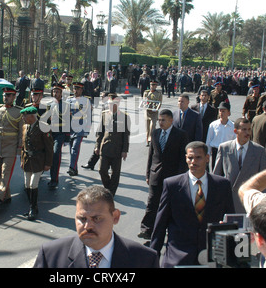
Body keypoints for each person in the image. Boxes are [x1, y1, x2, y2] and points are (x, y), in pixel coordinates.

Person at [150, 141, 235, 267]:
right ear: (186, 158)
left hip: (211, 258)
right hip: (178, 258)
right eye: (190, 158)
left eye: (198, 157)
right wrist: (152, 258)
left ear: (207, 158)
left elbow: (231, 222)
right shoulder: (172, 185)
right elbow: (160, 224)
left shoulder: (222, 185)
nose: (193, 162)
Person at [33, 185, 159, 268]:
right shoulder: (50, 256)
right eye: (82, 219)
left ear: (115, 217)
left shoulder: (145, 260)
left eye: (97, 219)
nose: (88, 226)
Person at [139, 109, 189, 240]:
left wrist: (181, 177)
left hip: (173, 177)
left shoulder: (180, 135)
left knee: (171, 205)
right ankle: (146, 229)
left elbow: (183, 159)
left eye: (163, 120)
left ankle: (171, 230)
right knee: (152, 203)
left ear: (171, 120)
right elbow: (151, 155)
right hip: (156, 175)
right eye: (159, 120)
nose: (160, 122)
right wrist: (148, 173)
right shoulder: (155, 133)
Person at [213, 117, 266, 213]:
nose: (247, 133)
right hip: (228, 200)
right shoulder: (224, 148)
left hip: (249, 202)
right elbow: (216, 176)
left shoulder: (259, 151)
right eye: (244, 129)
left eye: (249, 129)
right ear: (235, 131)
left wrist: (260, 201)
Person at [0, 87, 24, 205]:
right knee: (0, 173)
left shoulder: (19, 111)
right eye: (4, 95)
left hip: (11, 147)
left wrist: (19, 150)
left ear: (14, 97)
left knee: (5, 172)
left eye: (8, 95)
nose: (6, 97)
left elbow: (21, 133)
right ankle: (7, 196)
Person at [20, 106, 53, 221]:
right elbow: (23, 145)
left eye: (25, 116)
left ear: (32, 116)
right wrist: (22, 160)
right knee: (27, 185)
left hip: (39, 160)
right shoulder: (25, 127)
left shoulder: (44, 127)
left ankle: (33, 209)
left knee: (34, 184)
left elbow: (49, 147)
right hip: (27, 160)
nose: (23, 118)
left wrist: (48, 163)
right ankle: (32, 206)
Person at [95, 93, 130, 196]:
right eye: (109, 104)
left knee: (115, 174)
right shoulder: (104, 114)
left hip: (117, 149)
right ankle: (108, 188)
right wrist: (97, 146)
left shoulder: (124, 117)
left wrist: (124, 150)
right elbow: (99, 132)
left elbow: (126, 136)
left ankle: (111, 193)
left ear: (118, 104)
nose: (110, 106)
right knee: (102, 170)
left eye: (113, 104)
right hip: (105, 147)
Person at [47, 84, 70, 189]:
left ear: (61, 94)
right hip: (49, 133)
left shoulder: (65, 105)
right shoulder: (49, 104)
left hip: (59, 133)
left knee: (56, 154)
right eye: (54, 92)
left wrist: (67, 137)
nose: (55, 94)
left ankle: (54, 179)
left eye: (57, 92)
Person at [66, 82, 91, 177]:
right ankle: (75, 169)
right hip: (70, 128)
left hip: (80, 128)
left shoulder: (86, 101)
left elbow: (89, 116)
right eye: (74, 89)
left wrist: (87, 130)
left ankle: (71, 167)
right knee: (71, 149)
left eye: (78, 89)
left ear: (81, 90)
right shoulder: (69, 100)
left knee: (75, 148)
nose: (76, 91)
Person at [205, 102, 235, 170]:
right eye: (220, 111)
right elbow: (208, 140)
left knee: (226, 171)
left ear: (229, 113)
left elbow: (235, 141)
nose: (221, 113)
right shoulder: (213, 125)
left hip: (228, 152)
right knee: (215, 171)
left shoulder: (233, 126)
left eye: (223, 111)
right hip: (216, 151)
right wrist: (208, 154)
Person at [143, 80, 163, 146]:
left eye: (154, 85)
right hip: (147, 112)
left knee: (152, 126)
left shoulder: (158, 93)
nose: (152, 86)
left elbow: (160, 103)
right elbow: (144, 101)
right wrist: (145, 104)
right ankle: (147, 141)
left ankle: (151, 140)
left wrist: (157, 108)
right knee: (147, 127)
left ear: (156, 86)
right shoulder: (146, 92)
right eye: (151, 85)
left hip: (154, 113)